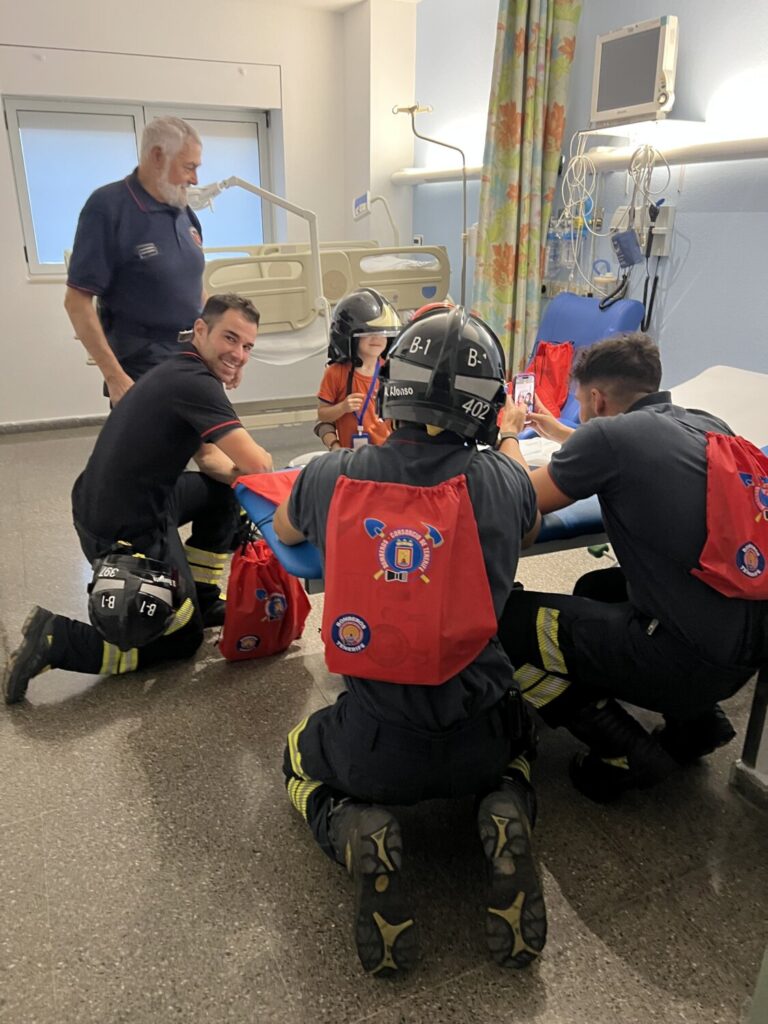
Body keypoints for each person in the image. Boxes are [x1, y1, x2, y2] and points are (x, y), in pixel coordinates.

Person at [272, 305, 546, 976]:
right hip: (479, 732)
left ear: (390, 384)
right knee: (527, 740)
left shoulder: (331, 477)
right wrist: (508, 441)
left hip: (375, 743)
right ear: (488, 406)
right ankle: (505, 802)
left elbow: (285, 532)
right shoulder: (504, 481)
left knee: (295, 761)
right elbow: (531, 526)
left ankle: (352, 829)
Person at [496, 332, 767, 802]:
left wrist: (508, 434)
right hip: (744, 652)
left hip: (685, 662)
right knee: (598, 586)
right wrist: (564, 435)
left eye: (580, 404)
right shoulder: (707, 424)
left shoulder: (609, 437)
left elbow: (519, 500)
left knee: (504, 622)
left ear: (597, 399)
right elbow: (636, 451)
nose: (580, 413)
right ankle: (698, 725)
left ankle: (623, 751)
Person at [4, 294, 273, 705]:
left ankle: (200, 596)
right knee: (180, 642)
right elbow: (259, 465)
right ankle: (58, 640)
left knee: (224, 492)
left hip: (115, 498)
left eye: (247, 346)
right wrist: (253, 476)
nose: (238, 354)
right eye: (230, 339)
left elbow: (210, 459)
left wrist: (238, 480)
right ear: (201, 330)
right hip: (125, 525)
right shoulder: (195, 382)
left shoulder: (180, 364)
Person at [64, 116, 207, 405]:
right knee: (152, 449)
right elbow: (76, 302)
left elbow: (195, 288)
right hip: (140, 363)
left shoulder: (183, 210)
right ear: (157, 156)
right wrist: (114, 377)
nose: (195, 179)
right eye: (189, 167)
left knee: (207, 444)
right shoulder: (108, 207)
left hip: (190, 356)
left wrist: (222, 349)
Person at [314, 288, 401, 453]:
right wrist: (342, 408)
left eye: (382, 333)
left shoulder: (391, 371)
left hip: (387, 454)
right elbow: (322, 416)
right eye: (370, 333)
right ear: (350, 336)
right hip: (351, 457)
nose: (377, 339)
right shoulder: (335, 373)